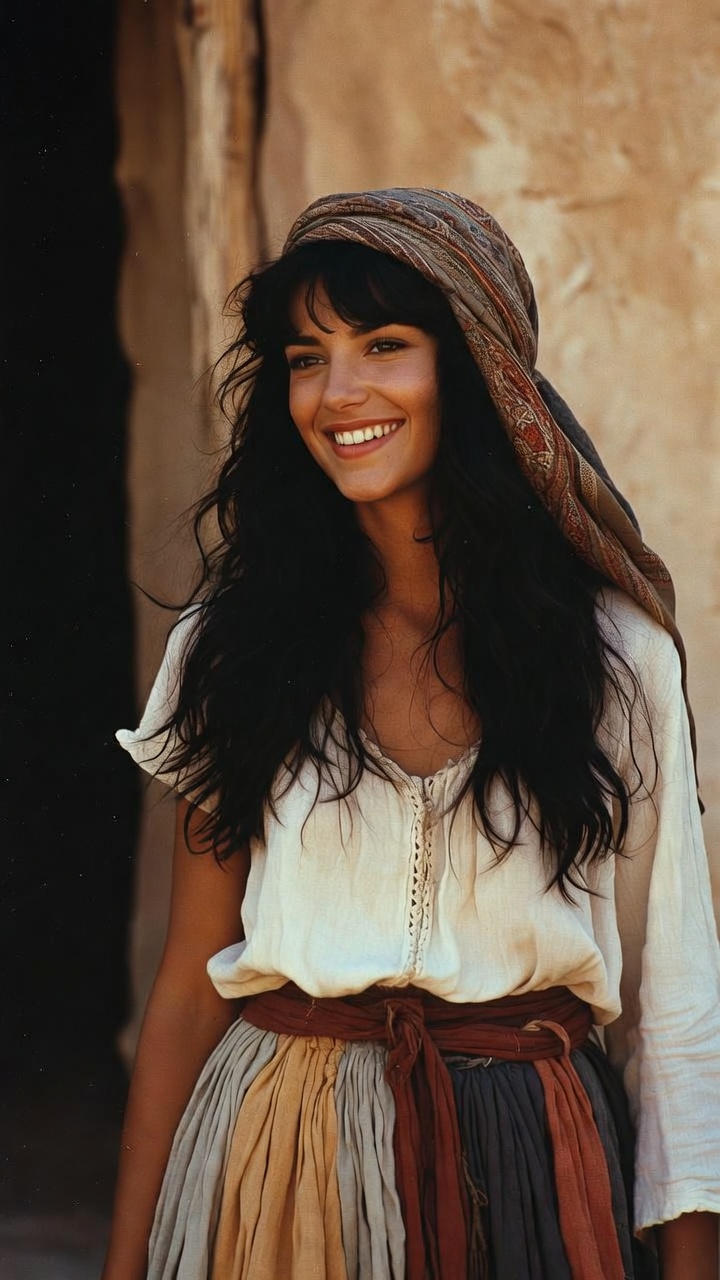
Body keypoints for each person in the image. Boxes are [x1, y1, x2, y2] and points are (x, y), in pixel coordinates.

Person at [102, 189, 720, 1280]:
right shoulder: (234, 645)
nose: (339, 393)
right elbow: (191, 987)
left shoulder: (616, 657)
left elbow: (674, 1007)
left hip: (535, 1161)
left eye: (385, 343)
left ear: (478, 368)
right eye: (306, 356)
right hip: (274, 1167)